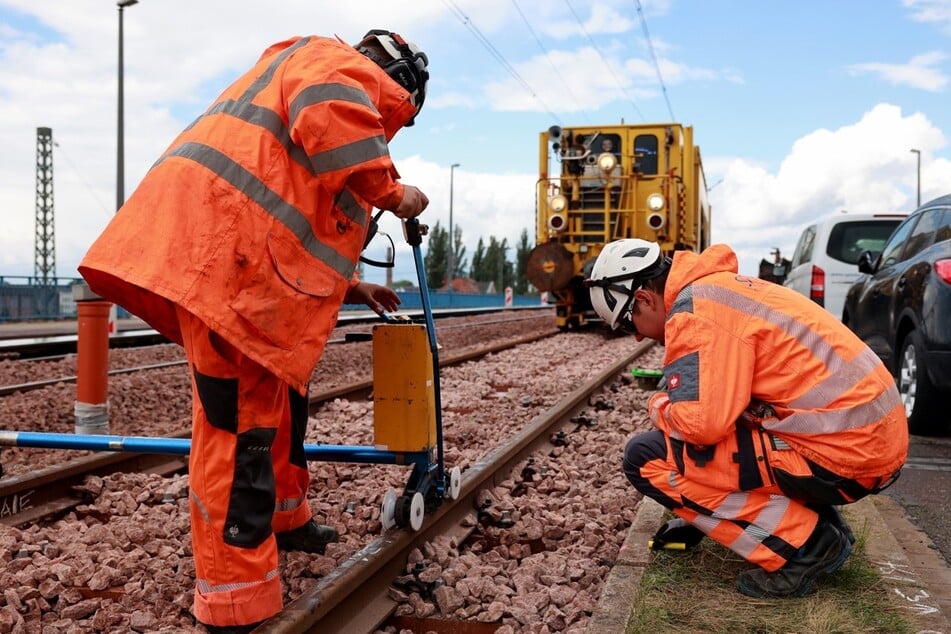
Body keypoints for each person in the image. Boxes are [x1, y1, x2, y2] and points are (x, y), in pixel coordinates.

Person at [79, 29, 430, 633]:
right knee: (239, 428)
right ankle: (234, 597)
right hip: (227, 273)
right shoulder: (332, 66)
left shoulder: (303, 80)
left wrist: (354, 287)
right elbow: (330, 124)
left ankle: (287, 520)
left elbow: (283, 214)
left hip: (240, 265)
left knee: (283, 400)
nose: (389, 123)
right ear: (400, 84)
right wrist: (395, 194)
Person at [585, 239, 908, 599]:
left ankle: (805, 545)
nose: (636, 336)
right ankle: (823, 526)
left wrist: (658, 404)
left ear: (644, 299)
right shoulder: (719, 290)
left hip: (848, 455)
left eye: (629, 323)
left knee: (646, 457)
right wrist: (702, 517)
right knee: (733, 428)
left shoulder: (693, 316)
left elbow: (701, 427)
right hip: (869, 440)